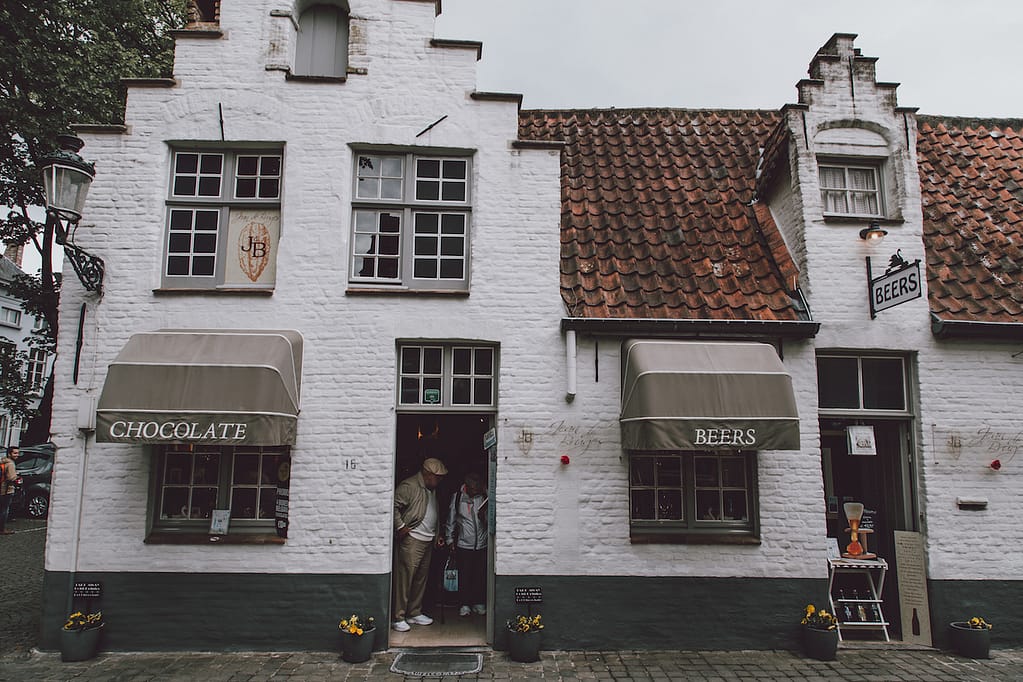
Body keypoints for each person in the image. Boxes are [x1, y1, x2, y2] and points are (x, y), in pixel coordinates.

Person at [392, 457, 447, 632]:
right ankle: (398, 616)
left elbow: (433, 513)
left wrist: (437, 534)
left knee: (419, 580)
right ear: (427, 474)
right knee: (405, 579)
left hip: (427, 540)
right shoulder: (409, 486)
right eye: (437, 477)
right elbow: (392, 505)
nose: (439, 480)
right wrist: (400, 526)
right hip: (412, 540)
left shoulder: (431, 489)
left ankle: (414, 612)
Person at [444, 471, 488, 616]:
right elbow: (451, 519)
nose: (475, 491)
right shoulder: (458, 497)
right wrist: (449, 540)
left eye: (478, 488)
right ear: (467, 486)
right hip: (464, 544)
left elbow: (492, 518)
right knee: (465, 575)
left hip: (482, 543)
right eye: (473, 488)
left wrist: (484, 516)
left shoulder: (483, 496)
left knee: (480, 575)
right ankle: (464, 604)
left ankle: (478, 602)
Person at [0, 446, 20, 535]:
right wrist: (18, 477)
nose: (17, 455)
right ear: (9, 454)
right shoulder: (10, 464)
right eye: (15, 453)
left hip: (1, 488)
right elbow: (12, 478)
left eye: (17, 453)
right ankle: (2, 529)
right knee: (4, 510)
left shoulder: (2, 462)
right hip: (7, 490)